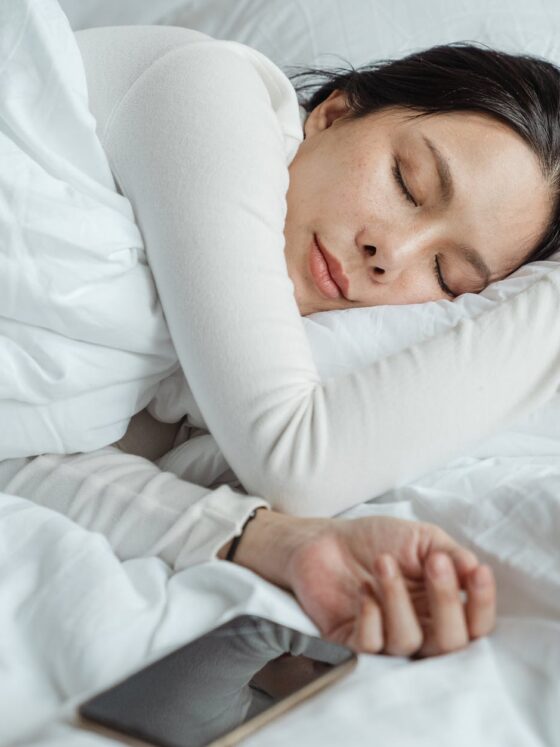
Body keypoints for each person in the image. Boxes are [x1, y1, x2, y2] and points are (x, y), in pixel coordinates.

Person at [5, 22, 560, 656]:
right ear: (334, 113)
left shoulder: (179, 378)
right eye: (408, 182)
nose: (391, 253)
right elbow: (298, 461)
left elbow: (23, 457)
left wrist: (283, 544)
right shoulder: (207, 88)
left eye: (446, 274)